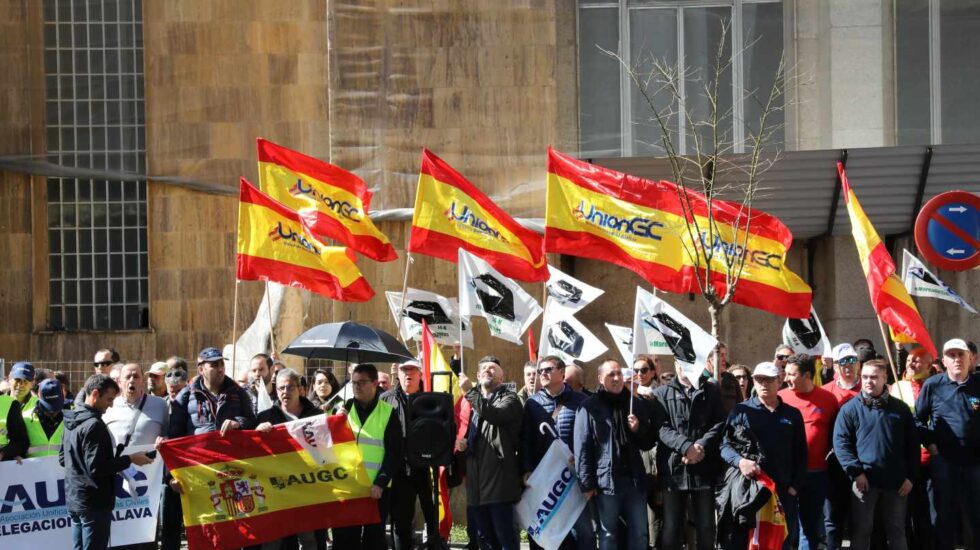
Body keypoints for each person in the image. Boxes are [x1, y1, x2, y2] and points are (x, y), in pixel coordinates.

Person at [167, 348, 255, 550]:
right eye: (213, 365)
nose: (219, 368)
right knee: (207, 530)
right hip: (200, 472)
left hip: (232, 470)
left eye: (221, 364)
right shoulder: (184, 396)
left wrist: (238, 423)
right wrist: (172, 475)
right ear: (201, 369)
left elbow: (252, 420)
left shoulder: (238, 392)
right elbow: (175, 438)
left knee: (237, 526)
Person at [720, 361, 807, 550]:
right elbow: (725, 446)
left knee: (780, 543)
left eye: (768, 380)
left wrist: (794, 487)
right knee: (748, 542)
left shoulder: (792, 415)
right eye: (759, 380)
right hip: (750, 491)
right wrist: (740, 461)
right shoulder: (741, 411)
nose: (763, 384)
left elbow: (801, 453)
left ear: (779, 381)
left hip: (783, 492)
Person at [834, 359, 919, 550]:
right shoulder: (849, 409)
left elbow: (913, 446)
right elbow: (841, 444)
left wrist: (910, 477)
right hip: (864, 481)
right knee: (862, 530)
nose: (868, 381)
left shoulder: (901, 409)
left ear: (884, 378)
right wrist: (856, 473)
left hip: (896, 483)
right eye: (864, 377)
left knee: (897, 529)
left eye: (874, 377)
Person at [61, 374, 153, 550]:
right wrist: (130, 459)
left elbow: (63, 458)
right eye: (109, 399)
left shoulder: (70, 420)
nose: (110, 405)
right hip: (95, 502)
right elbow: (97, 468)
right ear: (95, 394)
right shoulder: (94, 425)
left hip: (75, 498)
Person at [575, 359, 658, 550]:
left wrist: (638, 429)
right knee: (607, 534)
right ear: (600, 378)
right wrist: (586, 484)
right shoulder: (589, 407)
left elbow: (648, 442)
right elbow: (583, 447)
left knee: (639, 533)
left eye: (619, 373)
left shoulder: (634, 403)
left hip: (634, 481)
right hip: (606, 482)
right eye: (611, 374)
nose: (616, 378)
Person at [521, 356, 595, 549]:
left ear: (562, 373)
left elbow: (590, 439)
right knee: (547, 530)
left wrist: (586, 470)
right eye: (540, 371)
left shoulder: (581, 401)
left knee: (583, 531)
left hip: (574, 476)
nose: (542, 374)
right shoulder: (532, 404)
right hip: (545, 477)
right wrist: (527, 469)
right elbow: (526, 441)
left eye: (548, 369)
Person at [652, 360, 727, 550]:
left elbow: (720, 423)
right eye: (680, 362)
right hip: (674, 471)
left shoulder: (711, 391)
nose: (684, 366)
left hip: (704, 468)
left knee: (706, 526)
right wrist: (686, 447)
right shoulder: (661, 393)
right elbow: (661, 428)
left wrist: (700, 446)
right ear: (675, 364)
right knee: (672, 527)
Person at [914, 338, 980, 550]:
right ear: (944, 361)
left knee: (975, 516)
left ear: (970, 358)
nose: (957, 359)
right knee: (943, 517)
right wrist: (930, 443)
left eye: (961, 354)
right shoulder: (933, 385)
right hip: (944, 462)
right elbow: (916, 420)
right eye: (951, 355)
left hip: (975, 463)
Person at [457, 356, 523, 550]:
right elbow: (480, 437)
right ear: (477, 376)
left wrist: (469, 391)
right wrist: (465, 444)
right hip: (476, 484)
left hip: (499, 483)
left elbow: (495, 415)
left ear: (501, 378)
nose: (488, 370)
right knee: (484, 538)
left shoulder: (510, 399)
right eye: (484, 368)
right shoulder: (475, 405)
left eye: (493, 368)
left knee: (505, 537)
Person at [334, 363, 402, 548]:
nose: (356, 386)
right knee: (345, 540)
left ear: (374, 384)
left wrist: (380, 483)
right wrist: (335, 422)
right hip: (347, 489)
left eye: (362, 382)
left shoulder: (388, 413)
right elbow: (327, 446)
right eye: (353, 382)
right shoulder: (342, 410)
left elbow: (394, 453)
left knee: (374, 541)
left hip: (376, 490)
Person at [255, 368, 323, 550]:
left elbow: (326, 448)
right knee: (272, 537)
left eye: (290, 387)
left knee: (308, 538)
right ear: (276, 390)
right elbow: (253, 452)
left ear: (300, 389)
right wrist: (258, 432)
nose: (285, 392)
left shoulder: (316, 415)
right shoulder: (265, 416)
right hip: (275, 486)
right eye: (281, 388)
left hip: (306, 484)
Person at [779, 354, 840, 550]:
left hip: (815, 473)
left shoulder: (828, 399)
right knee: (787, 526)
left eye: (791, 374)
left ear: (807, 375)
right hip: (786, 474)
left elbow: (836, 435)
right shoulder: (780, 398)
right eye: (785, 373)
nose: (786, 378)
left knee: (810, 527)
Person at [381, 360, 441, 550]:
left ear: (420, 374)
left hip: (424, 468)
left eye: (413, 370)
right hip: (398, 470)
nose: (408, 374)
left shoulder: (430, 400)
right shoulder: (385, 400)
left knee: (432, 518)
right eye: (404, 370)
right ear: (397, 373)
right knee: (402, 522)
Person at [822, 343, 862, 550]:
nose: (848, 366)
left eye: (852, 360)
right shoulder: (825, 392)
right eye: (843, 362)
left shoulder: (869, 387)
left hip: (864, 461)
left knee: (861, 517)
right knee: (833, 516)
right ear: (835, 366)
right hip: (834, 462)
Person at [23, 379, 67, 457]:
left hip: (60, 469)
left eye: (56, 407)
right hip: (32, 468)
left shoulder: (71, 418)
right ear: (38, 395)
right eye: (48, 407)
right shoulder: (25, 418)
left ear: (63, 395)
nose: (52, 412)